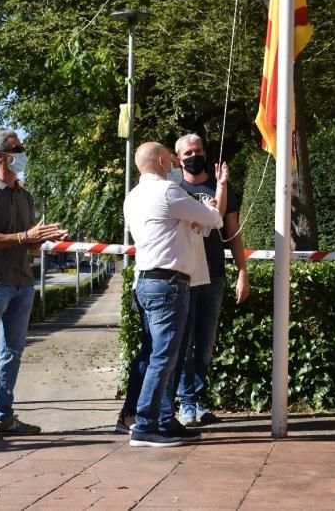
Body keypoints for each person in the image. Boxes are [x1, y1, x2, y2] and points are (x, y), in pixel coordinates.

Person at [0, 129, 68, 441]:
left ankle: (4, 416)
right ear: (0, 156)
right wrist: (25, 237)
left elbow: (29, 246)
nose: (22, 152)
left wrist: (43, 239)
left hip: (22, 284)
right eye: (16, 148)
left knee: (13, 352)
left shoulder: (24, 195)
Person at [123, 141, 225, 447]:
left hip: (148, 281)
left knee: (163, 354)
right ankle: (146, 425)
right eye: (171, 160)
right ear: (161, 162)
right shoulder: (168, 192)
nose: (176, 167)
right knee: (165, 357)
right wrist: (204, 209)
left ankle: (165, 421)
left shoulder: (134, 196)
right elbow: (215, 220)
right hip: (168, 283)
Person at [174, 134, 250, 427]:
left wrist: (242, 271)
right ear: (178, 159)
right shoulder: (174, 189)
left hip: (215, 274)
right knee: (184, 340)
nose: (195, 156)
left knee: (204, 342)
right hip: (183, 275)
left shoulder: (223, 188)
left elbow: (232, 233)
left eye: (199, 150)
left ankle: (196, 398)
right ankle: (186, 402)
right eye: (188, 153)